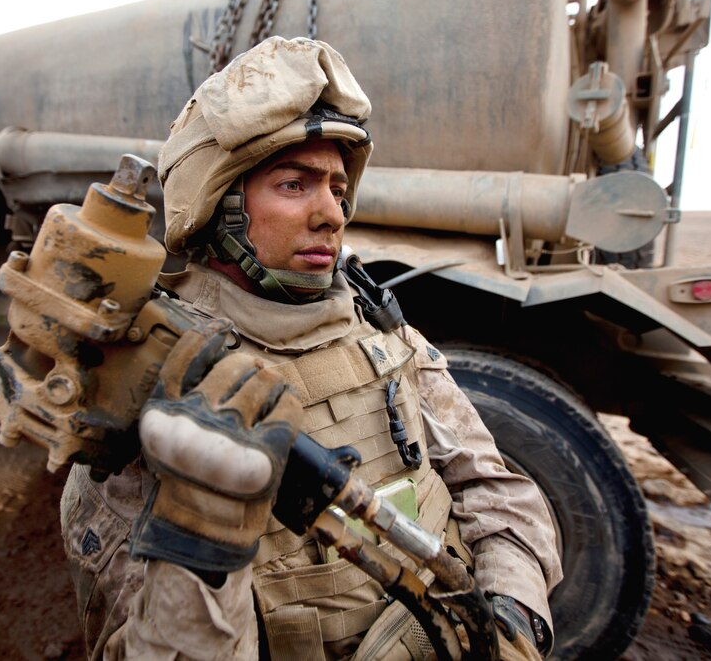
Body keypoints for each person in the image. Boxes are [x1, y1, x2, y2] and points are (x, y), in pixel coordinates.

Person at [59, 36, 562, 660]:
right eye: (295, 185)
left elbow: (497, 490)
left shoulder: (381, 334)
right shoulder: (160, 391)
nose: (332, 214)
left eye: (338, 188)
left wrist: (513, 613)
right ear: (219, 207)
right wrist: (201, 543)